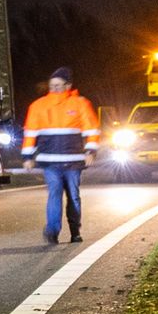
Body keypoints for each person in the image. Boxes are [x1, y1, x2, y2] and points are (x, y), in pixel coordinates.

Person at [21, 67, 100, 244]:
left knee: (73, 196)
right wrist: (27, 157)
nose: (55, 88)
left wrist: (90, 151)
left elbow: (92, 130)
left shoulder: (80, 104)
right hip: (50, 161)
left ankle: (75, 231)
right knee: (54, 194)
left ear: (68, 85)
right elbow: (30, 134)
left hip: (73, 160)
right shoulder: (38, 106)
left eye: (59, 85)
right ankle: (53, 231)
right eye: (52, 85)